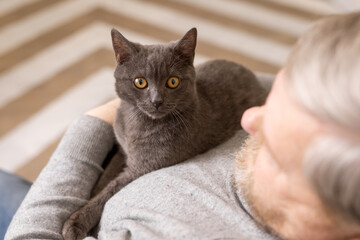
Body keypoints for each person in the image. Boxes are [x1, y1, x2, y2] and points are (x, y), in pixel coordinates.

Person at [3, 11, 360, 240]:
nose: (250, 119)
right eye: (282, 95)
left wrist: (90, 125)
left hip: (47, 207)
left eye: (276, 153)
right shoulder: (327, 118)